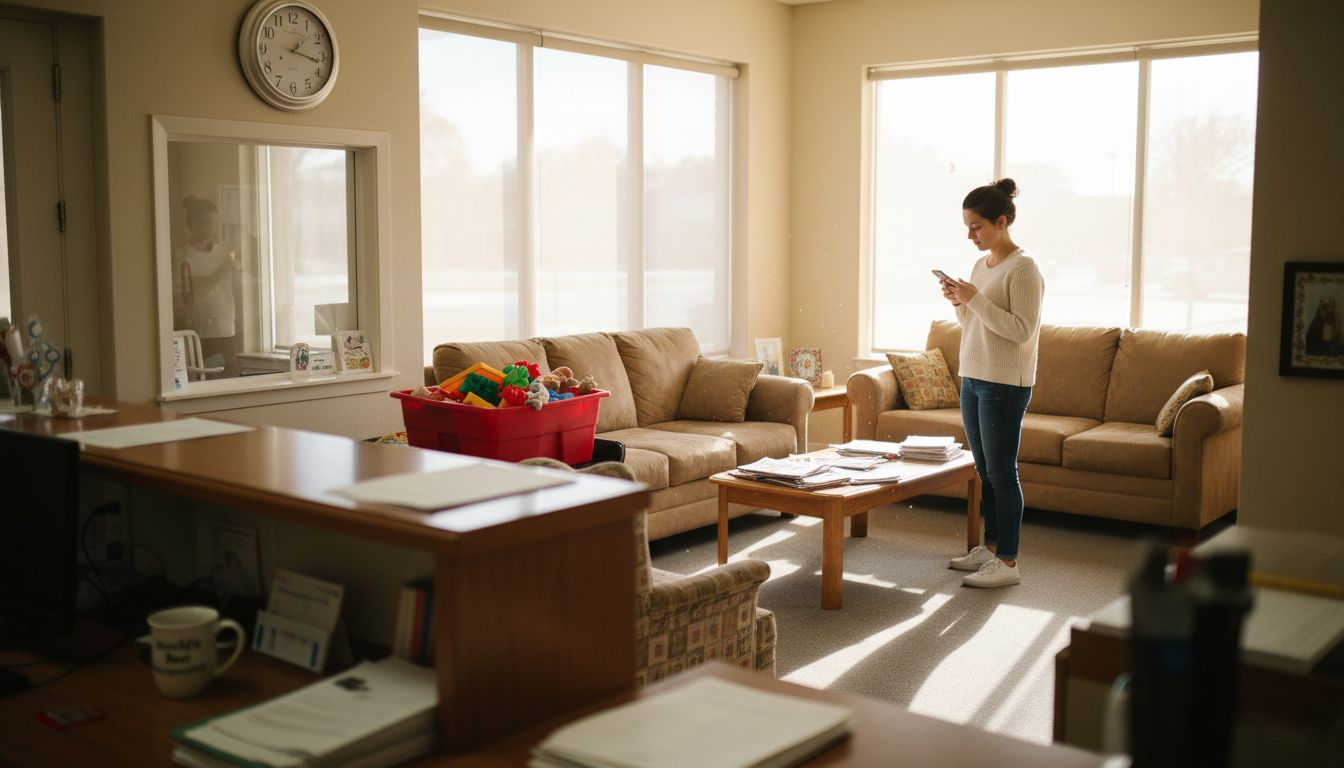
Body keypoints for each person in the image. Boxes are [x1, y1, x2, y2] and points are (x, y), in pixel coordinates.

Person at [941, 178, 1045, 588]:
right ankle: (991, 546)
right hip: (974, 376)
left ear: (1001, 222)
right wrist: (959, 303)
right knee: (984, 470)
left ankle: (1008, 563)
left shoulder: (1024, 268)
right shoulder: (979, 267)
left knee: (1003, 473)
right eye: (967, 227)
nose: (970, 235)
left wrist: (975, 300)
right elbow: (975, 326)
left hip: (1005, 382)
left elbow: (1020, 331)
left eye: (977, 227)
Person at [172, 197, 242, 377]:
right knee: (202, 377)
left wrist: (238, 269)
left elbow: (235, 286)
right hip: (198, 330)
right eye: (206, 223)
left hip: (226, 327)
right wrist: (221, 271)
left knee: (229, 377)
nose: (212, 227)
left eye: (215, 223)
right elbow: (187, 298)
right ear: (192, 223)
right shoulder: (182, 255)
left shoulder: (224, 252)